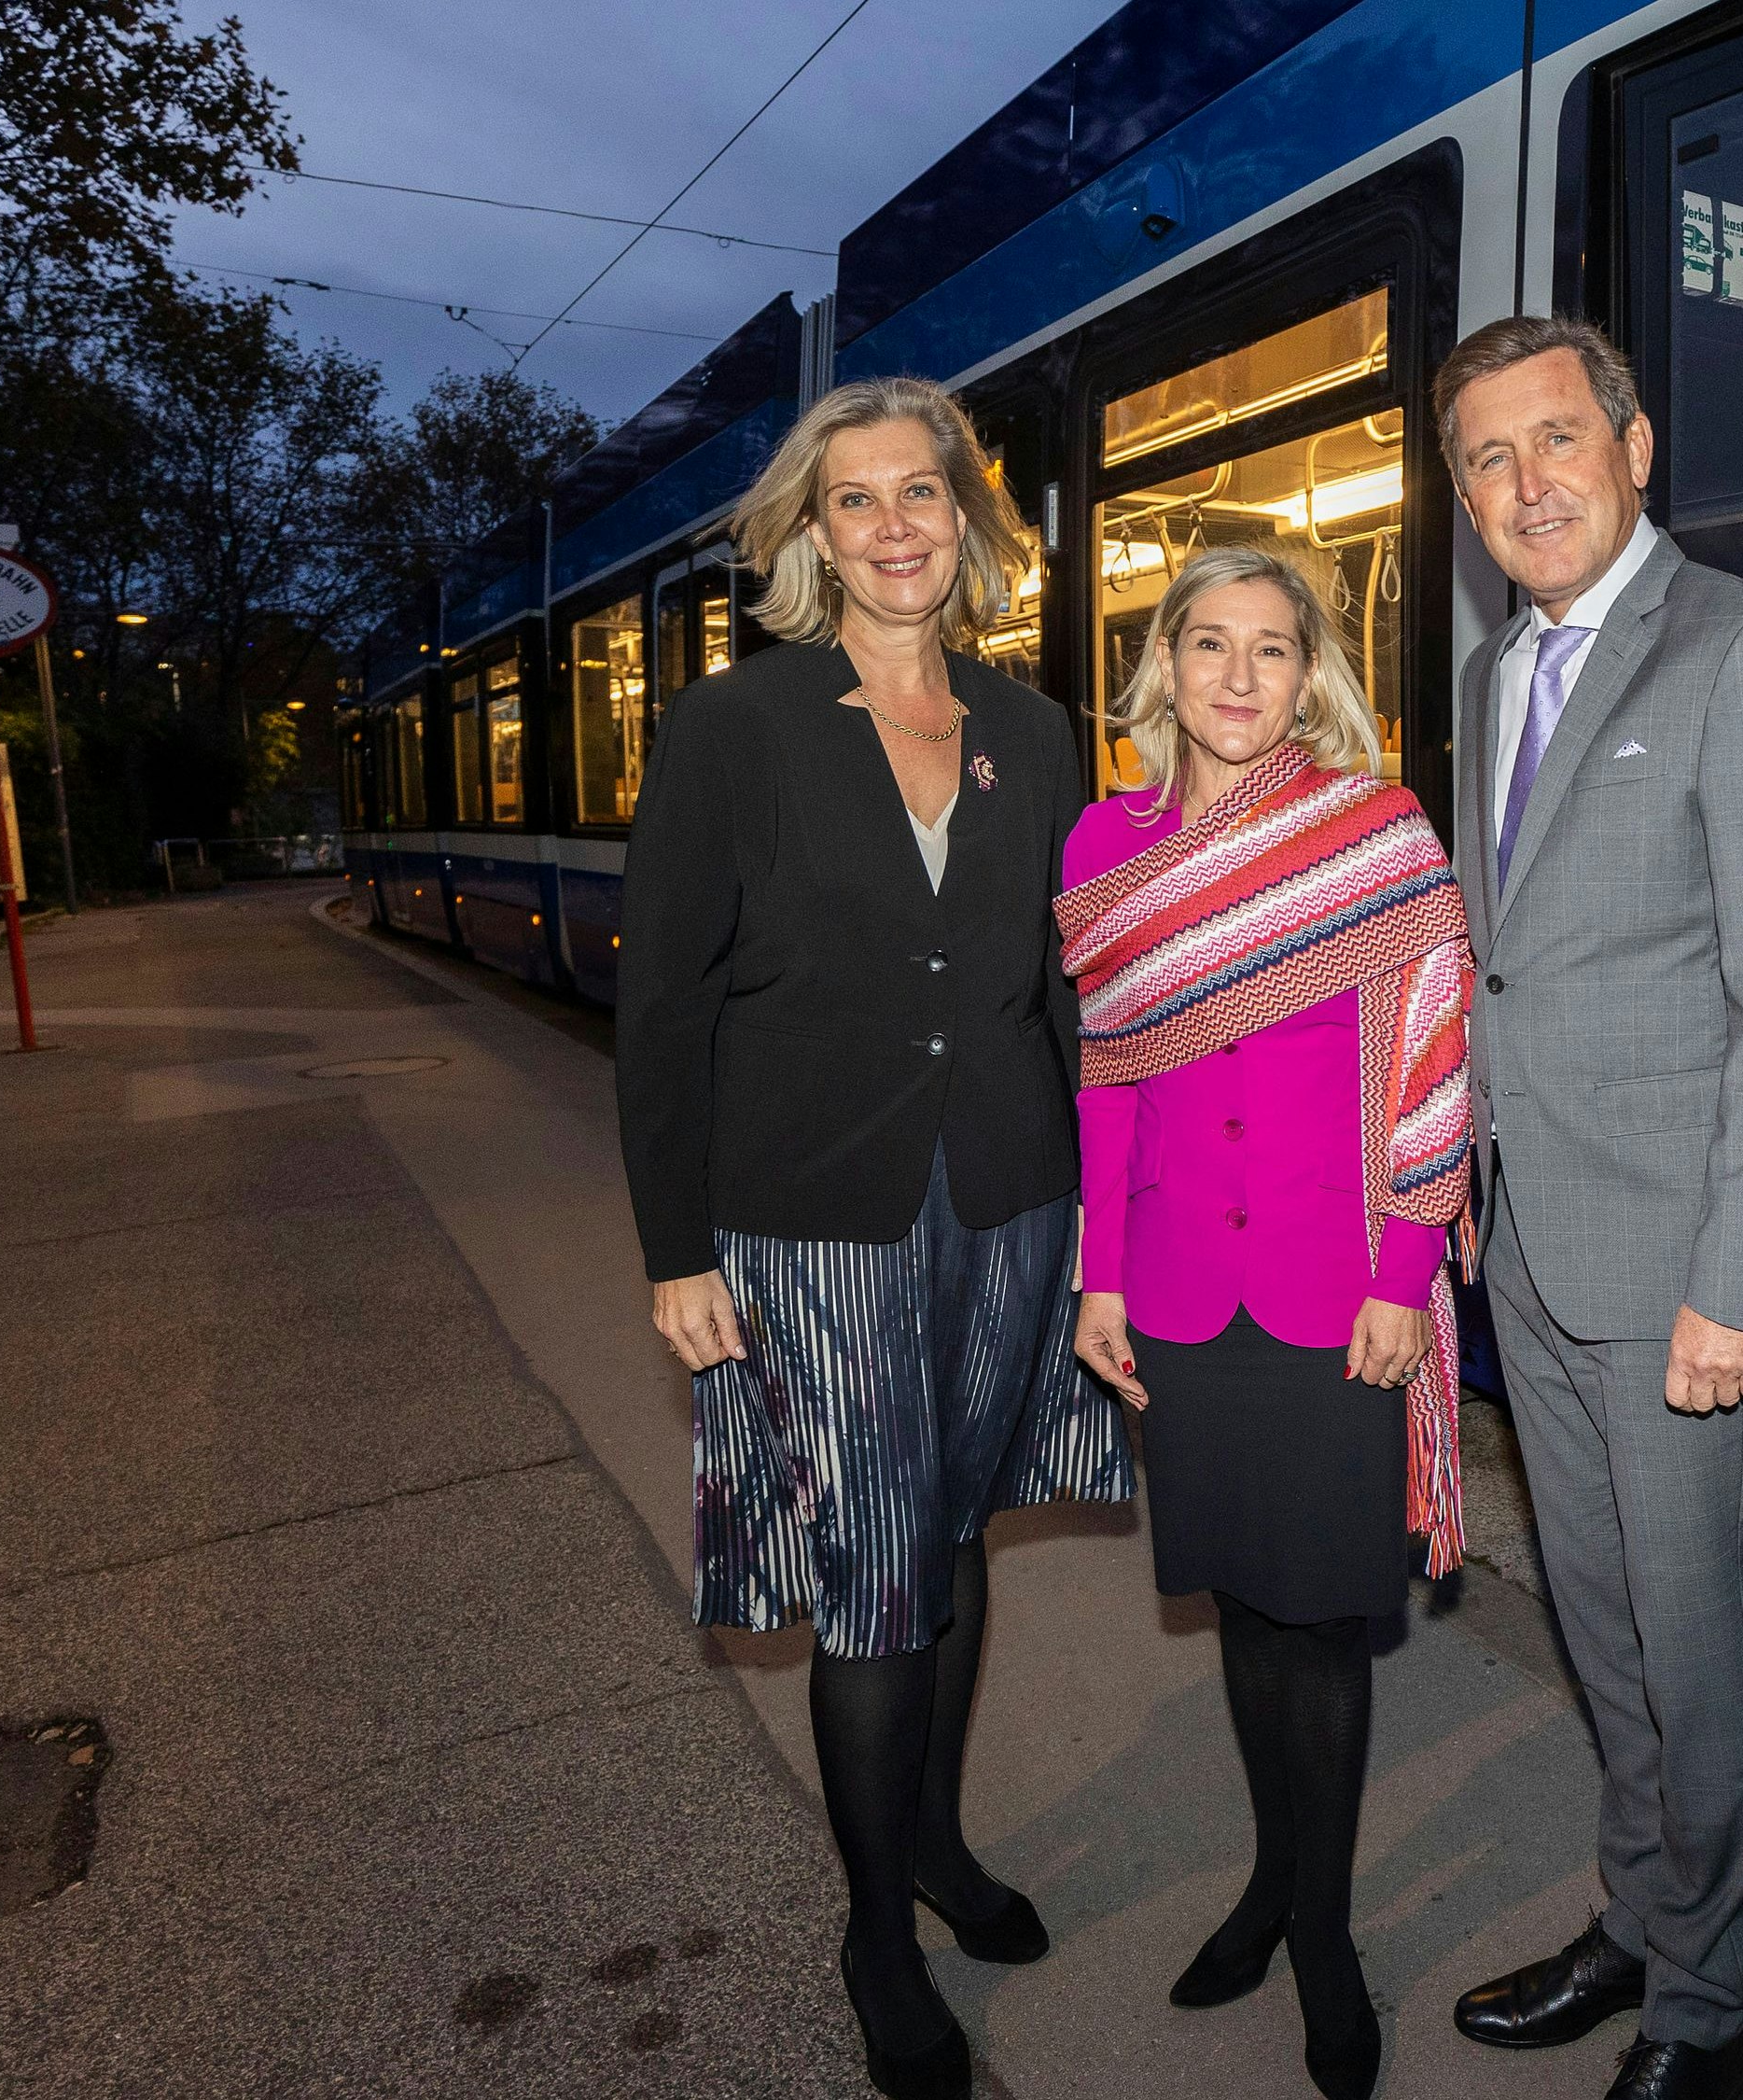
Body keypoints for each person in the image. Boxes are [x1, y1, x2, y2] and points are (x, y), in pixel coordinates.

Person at [612, 375, 1131, 2100]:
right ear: (809, 536)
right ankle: (872, 1931)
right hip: (809, 1209)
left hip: (1005, 1192)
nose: (897, 525)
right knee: (874, 1562)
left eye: (926, 494)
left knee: (958, 1525)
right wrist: (675, 1247)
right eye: (859, 502)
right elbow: (663, 1002)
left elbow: (1071, 987)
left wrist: (1116, 1226)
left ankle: (935, 1841)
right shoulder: (735, 725)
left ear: (971, 525)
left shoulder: (1033, 723)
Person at [1433, 316, 1743, 2100]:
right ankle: (1641, 1919)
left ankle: (1708, 2011)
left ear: (1634, 445)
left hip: (1682, 1264)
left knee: (1695, 1649)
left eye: (1555, 442)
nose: (1526, 486)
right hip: (1527, 1244)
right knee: (1600, 1632)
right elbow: (1508, 965)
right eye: (1486, 462)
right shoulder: (1489, 679)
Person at [1058, 542, 1472, 2100]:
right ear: (1161, 666)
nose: (1240, 678)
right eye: (1209, 645)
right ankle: (1270, 1884)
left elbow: (1437, 1055)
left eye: (1274, 650)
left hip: (1331, 1294)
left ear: (1315, 674)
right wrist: (1102, 1277)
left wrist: (1401, 1277)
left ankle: (1323, 1934)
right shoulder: (1106, 840)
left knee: (1321, 1625)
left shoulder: (1373, 830)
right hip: (1178, 1293)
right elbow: (1107, 1080)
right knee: (1244, 1611)